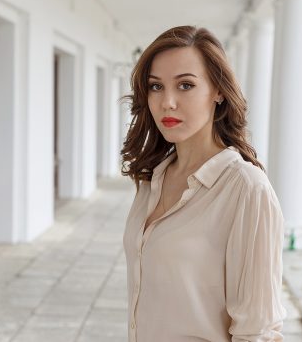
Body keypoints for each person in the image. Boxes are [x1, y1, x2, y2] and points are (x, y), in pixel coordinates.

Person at [121, 25, 286, 342]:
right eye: (156, 87)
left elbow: (258, 330)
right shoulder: (152, 177)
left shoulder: (246, 189)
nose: (167, 102)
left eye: (185, 85)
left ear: (218, 92)